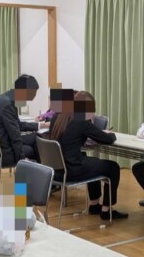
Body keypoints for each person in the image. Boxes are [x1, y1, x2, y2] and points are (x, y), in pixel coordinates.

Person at [49, 91, 128, 220]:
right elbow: (108, 139)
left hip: (57, 170)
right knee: (113, 167)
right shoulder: (81, 120)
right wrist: (111, 134)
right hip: (72, 170)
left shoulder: (58, 116)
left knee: (93, 162)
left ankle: (94, 205)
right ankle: (106, 211)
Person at [0, 74, 45, 166]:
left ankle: (40, 171)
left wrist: (41, 125)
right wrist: (22, 161)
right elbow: (15, 136)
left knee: (36, 137)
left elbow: (17, 125)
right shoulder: (8, 105)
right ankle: (31, 173)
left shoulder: (5, 98)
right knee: (32, 149)